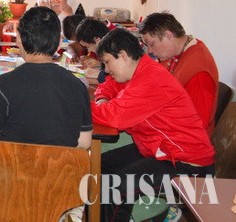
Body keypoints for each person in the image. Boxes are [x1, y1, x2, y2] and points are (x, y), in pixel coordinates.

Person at [0, 6, 93, 221]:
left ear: (20, 40)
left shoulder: (4, 84)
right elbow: (84, 142)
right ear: (57, 43)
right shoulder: (77, 87)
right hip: (59, 191)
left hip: (7, 188)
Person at [92, 28, 214, 221]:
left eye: (107, 62)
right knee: (98, 166)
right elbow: (108, 85)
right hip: (156, 150)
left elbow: (114, 116)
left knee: (117, 186)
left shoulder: (151, 79)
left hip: (188, 165)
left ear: (123, 56)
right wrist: (102, 99)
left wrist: (79, 105)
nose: (106, 69)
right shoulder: (136, 72)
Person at [139, 12, 219, 135]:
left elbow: (196, 127)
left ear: (168, 35)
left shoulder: (199, 71)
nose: (149, 50)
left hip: (182, 140)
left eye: (152, 44)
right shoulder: (173, 53)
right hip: (164, 126)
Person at [76, 17, 113, 84]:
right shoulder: (107, 50)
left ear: (97, 40)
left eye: (88, 47)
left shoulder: (115, 52)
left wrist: (99, 74)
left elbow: (120, 81)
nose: (89, 51)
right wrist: (98, 63)